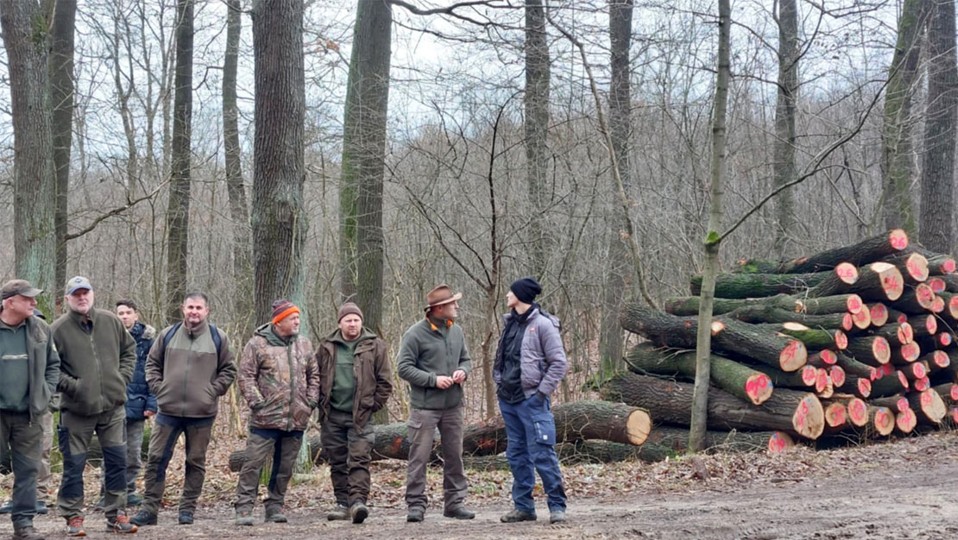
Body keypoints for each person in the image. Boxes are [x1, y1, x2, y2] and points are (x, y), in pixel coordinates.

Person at [131, 292, 236, 527]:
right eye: (190, 307)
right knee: (157, 459)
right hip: (168, 411)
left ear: (207, 311)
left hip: (202, 413)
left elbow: (229, 370)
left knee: (195, 461)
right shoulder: (168, 335)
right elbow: (151, 364)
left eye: (199, 307)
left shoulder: (218, 338)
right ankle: (149, 509)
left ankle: (187, 509)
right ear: (183, 309)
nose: (194, 312)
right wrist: (159, 389)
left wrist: (212, 391)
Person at [51, 276, 138, 536]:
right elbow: (50, 368)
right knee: (74, 465)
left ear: (93, 294)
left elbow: (129, 351)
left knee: (117, 462)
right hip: (76, 411)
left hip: (112, 408)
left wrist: (120, 378)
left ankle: (116, 514)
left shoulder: (111, 321)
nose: (81, 298)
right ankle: (73, 516)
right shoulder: (57, 329)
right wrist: (75, 386)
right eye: (76, 294)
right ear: (67, 298)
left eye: (85, 293)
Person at [234, 299, 319, 526]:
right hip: (265, 419)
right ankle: (243, 508)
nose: (297, 321)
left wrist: (310, 402)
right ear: (279, 322)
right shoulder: (257, 344)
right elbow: (245, 376)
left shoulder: (305, 344)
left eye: (298, 317)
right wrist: (257, 403)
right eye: (292, 318)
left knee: (285, 467)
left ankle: (275, 506)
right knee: (253, 464)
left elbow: (314, 376)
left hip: (296, 418)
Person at [493, 277, 568, 524]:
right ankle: (524, 507)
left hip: (532, 400)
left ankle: (557, 507)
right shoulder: (509, 324)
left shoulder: (544, 325)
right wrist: (499, 382)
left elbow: (558, 363)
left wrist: (540, 395)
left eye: (510, 291)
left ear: (521, 295)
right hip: (509, 400)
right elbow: (503, 358)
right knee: (517, 454)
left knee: (542, 453)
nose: (506, 295)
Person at [397, 284, 474, 523]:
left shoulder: (457, 331)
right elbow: (404, 368)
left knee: (455, 455)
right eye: (453, 303)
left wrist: (463, 371)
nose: (457, 307)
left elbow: (466, 359)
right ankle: (416, 505)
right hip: (425, 408)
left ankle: (454, 503)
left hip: (453, 405)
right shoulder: (415, 334)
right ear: (439, 308)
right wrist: (432, 380)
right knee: (419, 457)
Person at [316, 302, 392, 524]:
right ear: (340, 323)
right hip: (332, 415)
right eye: (348, 320)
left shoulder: (375, 346)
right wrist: (321, 402)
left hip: (360, 416)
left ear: (361, 322)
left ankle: (358, 502)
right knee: (337, 460)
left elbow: (385, 382)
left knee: (359, 459)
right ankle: (342, 503)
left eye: (356, 320)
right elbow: (315, 377)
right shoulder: (326, 346)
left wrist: (371, 405)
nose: (352, 324)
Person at [0, 280, 59, 540]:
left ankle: (23, 525)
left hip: (29, 415)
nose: (34, 303)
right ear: (9, 301)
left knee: (28, 471)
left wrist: (45, 394)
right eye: (28, 299)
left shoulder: (40, 329)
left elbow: (53, 365)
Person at [112, 299, 157, 507]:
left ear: (136, 315)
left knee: (133, 454)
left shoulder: (148, 340)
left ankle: (129, 491)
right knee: (111, 451)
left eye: (128, 312)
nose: (124, 316)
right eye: (120, 313)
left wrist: (152, 402)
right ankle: (109, 492)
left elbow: (155, 372)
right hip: (112, 405)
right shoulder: (108, 337)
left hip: (138, 405)